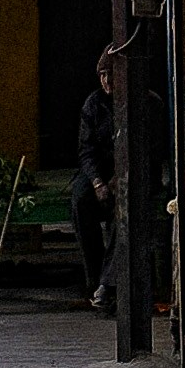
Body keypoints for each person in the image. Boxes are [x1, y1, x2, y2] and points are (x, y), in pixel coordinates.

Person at [71, 43, 120, 311]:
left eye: (111, 74)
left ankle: (109, 283)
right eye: (102, 74)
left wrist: (115, 181)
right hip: (98, 171)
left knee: (121, 211)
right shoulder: (94, 104)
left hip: (127, 172)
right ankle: (95, 279)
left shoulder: (145, 101)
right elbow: (86, 150)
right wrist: (98, 182)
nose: (107, 80)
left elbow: (148, 151)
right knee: (80, 202)